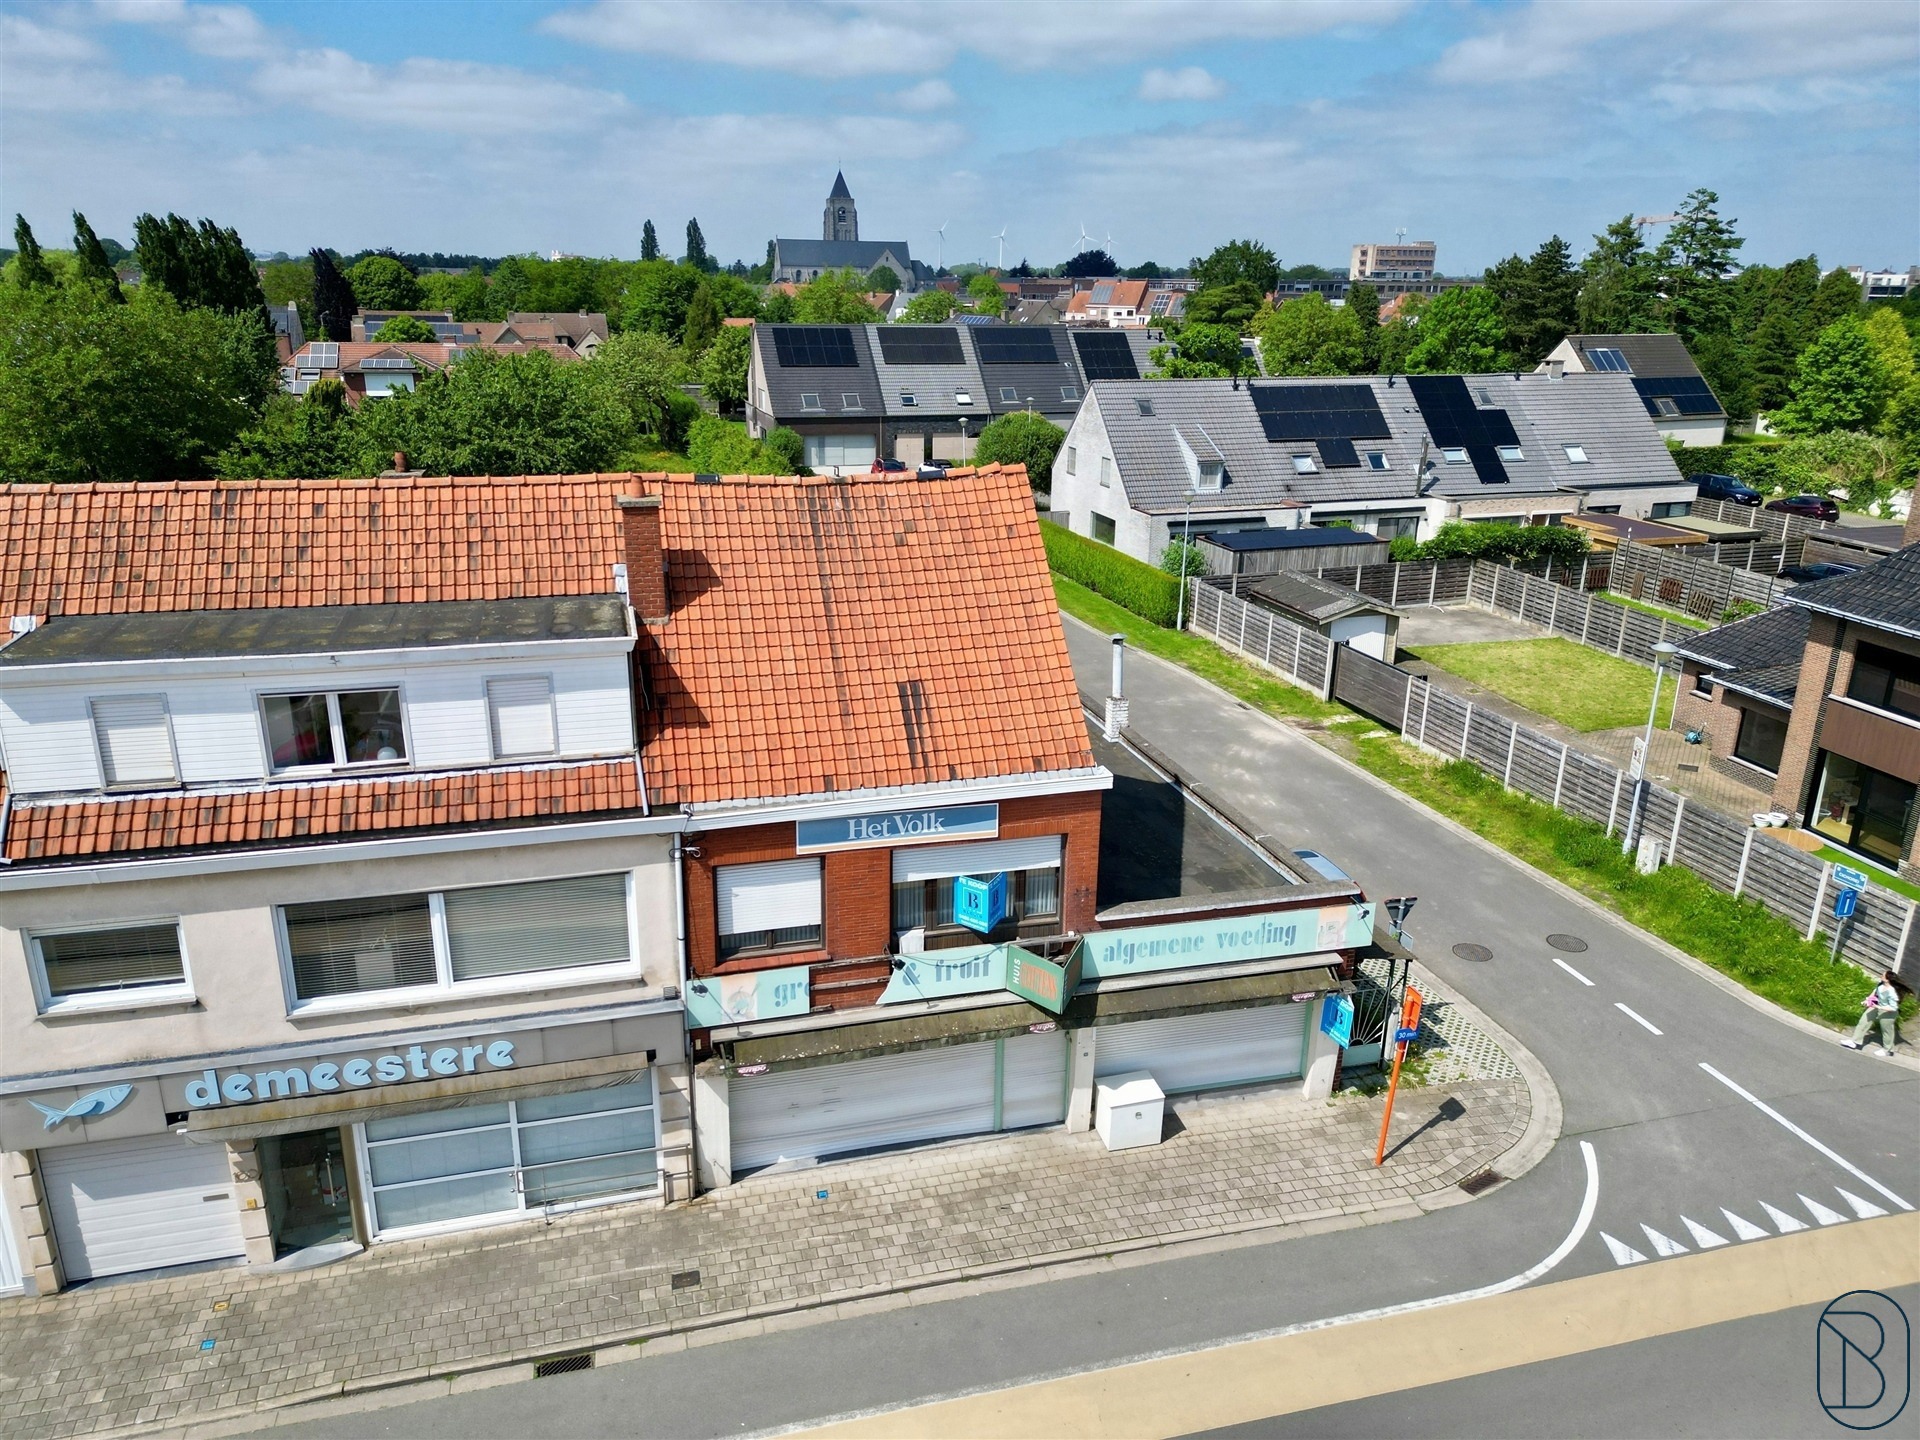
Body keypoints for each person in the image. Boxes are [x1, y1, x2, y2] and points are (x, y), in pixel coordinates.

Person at [1842, 971, 1902, 1055]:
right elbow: (1873, 995)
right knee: (1864, 1021)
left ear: (1888, 980)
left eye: (1883, 975)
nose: (1881, 976)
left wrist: (1878, 1007)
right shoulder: (1880, 986)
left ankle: (1887, 1050)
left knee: (1886, 1031)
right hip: (1876, 1006)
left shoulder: (1891, 992)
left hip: (1888, 1012)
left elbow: (1893, 1007)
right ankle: (1854, 1041)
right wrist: (1866, 1001)